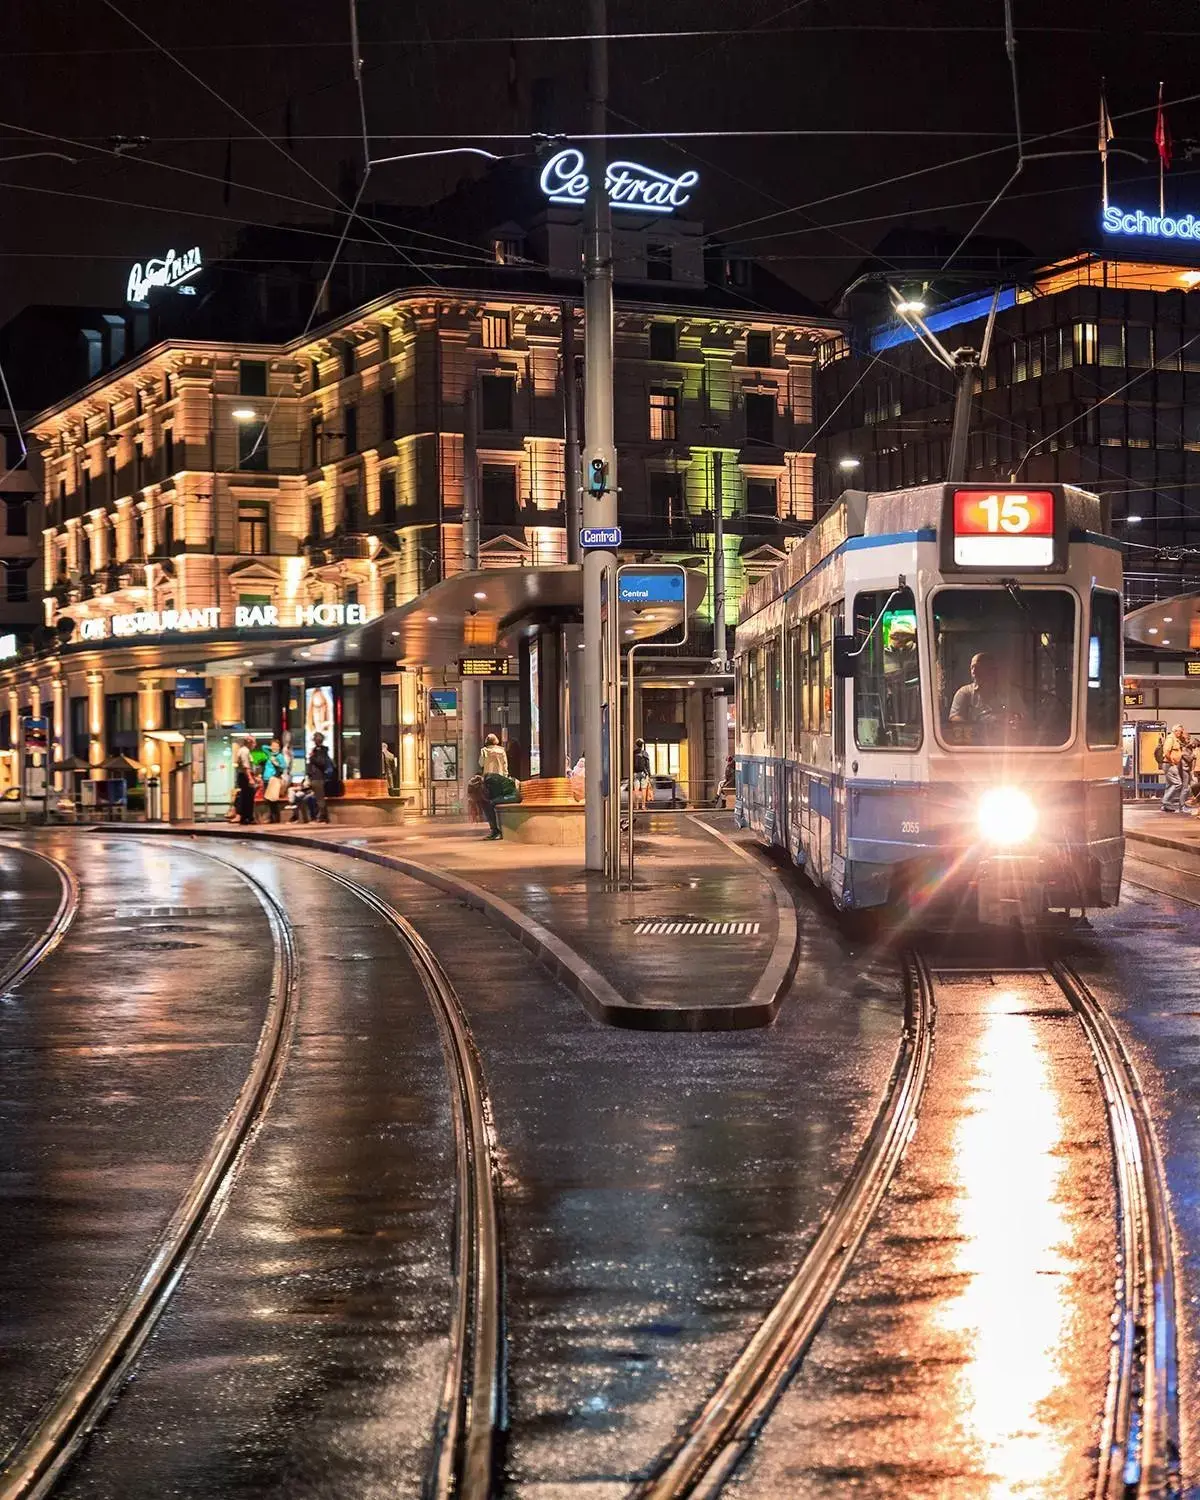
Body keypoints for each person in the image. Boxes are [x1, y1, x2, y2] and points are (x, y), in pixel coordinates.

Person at [948, 651, 1029, 744]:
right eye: (972, 668)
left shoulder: (1011, 693)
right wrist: (978, 727)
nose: (974, 671)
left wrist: (1013, 719)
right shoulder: (965, 693)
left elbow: (1024, 718)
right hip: (974, 747)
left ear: (992, 670)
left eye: (978, 667)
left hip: (1006, 746)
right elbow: (954, 719)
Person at [1161, 724, 1190, 814]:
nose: (1181, 733)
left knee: (1170, 785)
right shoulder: (1171, 738)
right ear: (1175, 731)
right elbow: (1166, 752)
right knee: (1178, 783)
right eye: (1180, 732)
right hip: (1169, 764)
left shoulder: (1175, 739)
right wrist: (1171, 762)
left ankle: (1166, 806)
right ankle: (1166, 802)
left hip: (1171, 764)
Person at [307, 732, 334, 824]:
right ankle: (317, 816)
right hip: (313, 777)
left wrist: (312, 758)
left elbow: (321, 762)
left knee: (320, 799)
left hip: (318, 777)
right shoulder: (315, 750)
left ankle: (322, 818)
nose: (315, 741)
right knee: (314, 798)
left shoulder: (322, 751)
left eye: (316, 739)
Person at [261, 738, 289, 824]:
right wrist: (271, 748)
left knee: (273, 800)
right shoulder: (270, 754)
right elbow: (263, 747)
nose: (274, 747)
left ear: (279, 747)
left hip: (273, 780)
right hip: (266, 779)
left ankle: (275, 818)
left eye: (276, 746)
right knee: (268, 800)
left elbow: (284, 766)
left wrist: (277, 763)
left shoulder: (279, 756)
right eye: (273, 746)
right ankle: (271, 818)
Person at [233, 734, 257, 826]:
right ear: (249, 742)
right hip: (245, 776)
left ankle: (247, 817)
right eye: (254, 742)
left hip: (245, 776)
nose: (255, 745)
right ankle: (247, 818)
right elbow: (245, 766)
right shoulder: (244, 751)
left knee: (247, 797)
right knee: (248, 797)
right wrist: (250, 779)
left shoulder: (245, 751)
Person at [632, 737, 652, 811]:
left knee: (636, 790)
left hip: (635, 773)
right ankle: (643, 806)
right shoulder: (645, 753)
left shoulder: (633, 753)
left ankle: (636, 806)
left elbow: (632, 764)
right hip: (644, 773)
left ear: (636, 745)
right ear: (642, 745)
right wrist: (649, 774)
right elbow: (647, 765)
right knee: (643, 790)